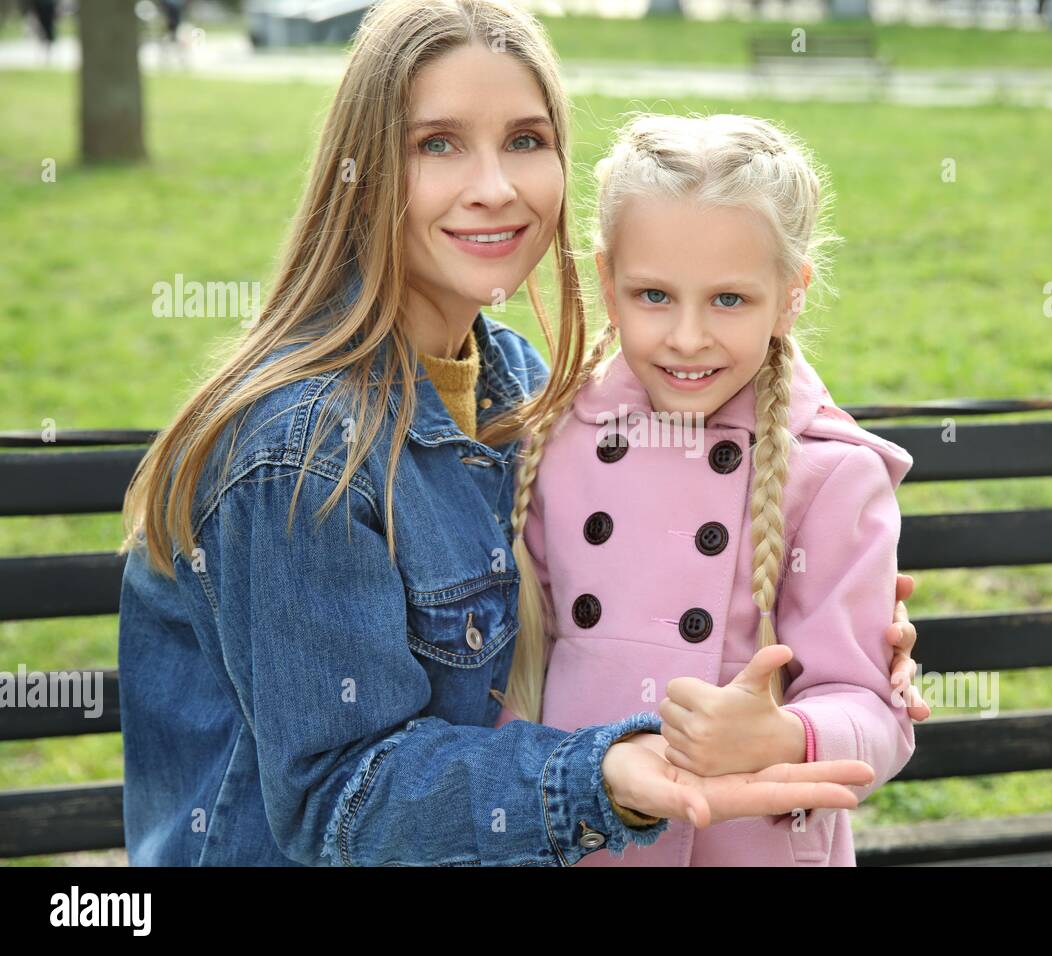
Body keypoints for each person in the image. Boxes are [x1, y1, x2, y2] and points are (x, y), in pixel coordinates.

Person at [116, 0, 926, 867]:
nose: (495, 186)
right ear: (362, 172)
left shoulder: (521, 392)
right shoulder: (299, 452)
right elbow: (338, 797)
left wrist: (825, 698)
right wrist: (602, 776)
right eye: (438, 143)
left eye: (527, 140)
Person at [495, 113, 916, 866]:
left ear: (791, 295)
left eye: (729, 300)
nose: (687, 337)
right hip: (577, 843)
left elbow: (878, 716)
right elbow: (514, 673)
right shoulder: (555, 441)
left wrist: (784, 734)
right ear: (607, 283)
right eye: (654, 295)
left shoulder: (830, 474)